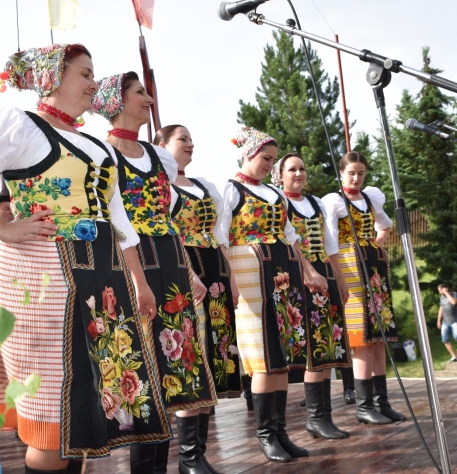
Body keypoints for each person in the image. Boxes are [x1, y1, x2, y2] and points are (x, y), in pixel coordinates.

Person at [0, 45, 171, 474]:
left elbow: (118, 220)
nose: (94, 83)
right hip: (41, 275)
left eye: (93, 74)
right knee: (54, 408)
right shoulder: (21, 126)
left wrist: (140, 281)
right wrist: (0, 227)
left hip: (100, 274)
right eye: (83, 73)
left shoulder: (96, 146)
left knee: (83, 405)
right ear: (50, 78)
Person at [91, 75, 217, 474]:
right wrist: (134, 280)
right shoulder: (101, 154)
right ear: (116, 101)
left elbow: (168, 218)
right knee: (141, 365)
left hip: (169, 257)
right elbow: (113, 222)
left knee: (176, 364)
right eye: (139, 93)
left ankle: (179, 462)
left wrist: (190, 271)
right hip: (130, 258)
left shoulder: (158, 156)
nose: (149, 98)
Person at [217, 127, 328, 464]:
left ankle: (280, 432)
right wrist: (230, 278)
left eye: (272, 160)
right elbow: (221, 235)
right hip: (251, 277)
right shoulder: (230, 190)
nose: (269, 165)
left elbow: (291, 236)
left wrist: (308, 270)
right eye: (265, 158)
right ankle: (266, 435)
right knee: (263, 357)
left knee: (281, 358)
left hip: (282, 275)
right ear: (248, 154)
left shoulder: (274, 194)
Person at [155, 124, 241, 473]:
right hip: (182, 270)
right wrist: (186, 274)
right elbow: (164, 234)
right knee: (189, 357)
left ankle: (199, 452)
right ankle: (188, 457)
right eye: (182, 140)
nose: (190, 144)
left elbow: (220, 235)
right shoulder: (160, 188)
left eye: (191, 140)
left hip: (214, 269)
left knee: (212, 360)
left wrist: (230, 276)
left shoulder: (205, 185)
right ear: (161, 145)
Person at [271, 153, 351, 440]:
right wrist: (305, 274)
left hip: (324, 274)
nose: (299, 173)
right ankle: (316, 418)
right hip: (299, 277)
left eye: (302, 168)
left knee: (329, 343)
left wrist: (341, 279)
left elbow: (331, 245)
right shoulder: (277, 201)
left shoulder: (316, 203)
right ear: (279, 174)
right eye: (292, 168)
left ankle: (323, 417)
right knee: (313, 346)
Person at [323, 151, 405, 426]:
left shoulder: (371, 198)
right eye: (351, 173)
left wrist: (378, 242)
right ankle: (364, 405)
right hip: (349, 268)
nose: (356, 178)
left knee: (380, 336)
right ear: (342, 173)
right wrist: (338, 279)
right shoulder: (334, 202)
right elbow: (330, 243)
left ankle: (382, 402)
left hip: (374, 270)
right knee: (362, 339)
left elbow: (385, 226)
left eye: (360, 173)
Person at [436, 283, 457, 362]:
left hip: (455, 320)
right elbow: (441, 308)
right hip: (445, 321)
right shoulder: (442, 298)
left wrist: (446, 293)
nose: (440, 293)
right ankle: (454, 356)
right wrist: (438, 320)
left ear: (445, 288)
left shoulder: (454, 294)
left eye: (440, 291)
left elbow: (454, 302)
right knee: (445, 339)